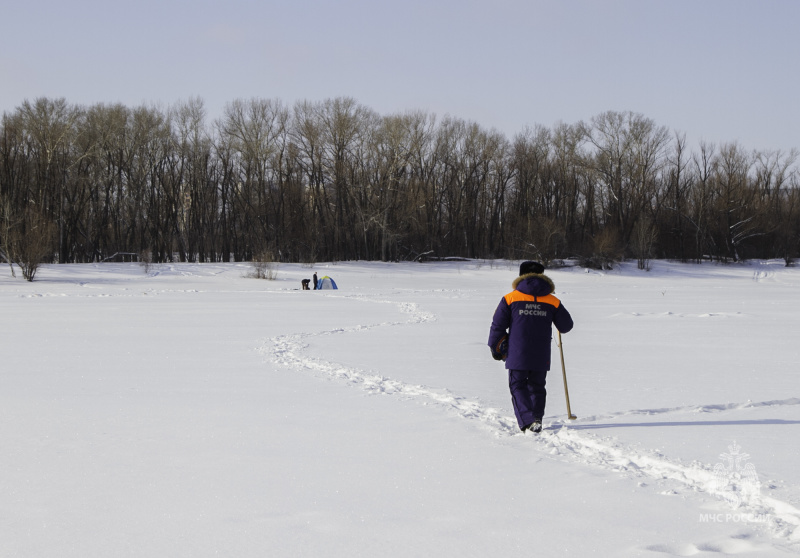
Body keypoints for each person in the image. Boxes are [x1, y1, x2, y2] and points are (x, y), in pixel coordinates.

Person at [488, 261, 573, 434]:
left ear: (521, 276)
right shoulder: (552, 300)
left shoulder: (510, 298)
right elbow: (566, 326)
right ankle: (536, 419)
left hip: (517, 352)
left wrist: (495, 348)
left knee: (517, 385)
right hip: (541, 353)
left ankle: (528, 421)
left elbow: (497, 326)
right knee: (537, 386)